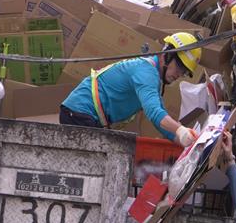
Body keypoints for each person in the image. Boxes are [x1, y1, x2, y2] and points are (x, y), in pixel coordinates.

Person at [59, 32, 201, 147]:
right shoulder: (146, 73)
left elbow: (160, 121)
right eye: (180, 67)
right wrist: (180, 130)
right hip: (80, 113)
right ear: (168, 55)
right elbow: (155, 113)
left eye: (184, 72)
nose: (180, 75)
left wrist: (183, 141)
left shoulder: (152, 77)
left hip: (83, 114)